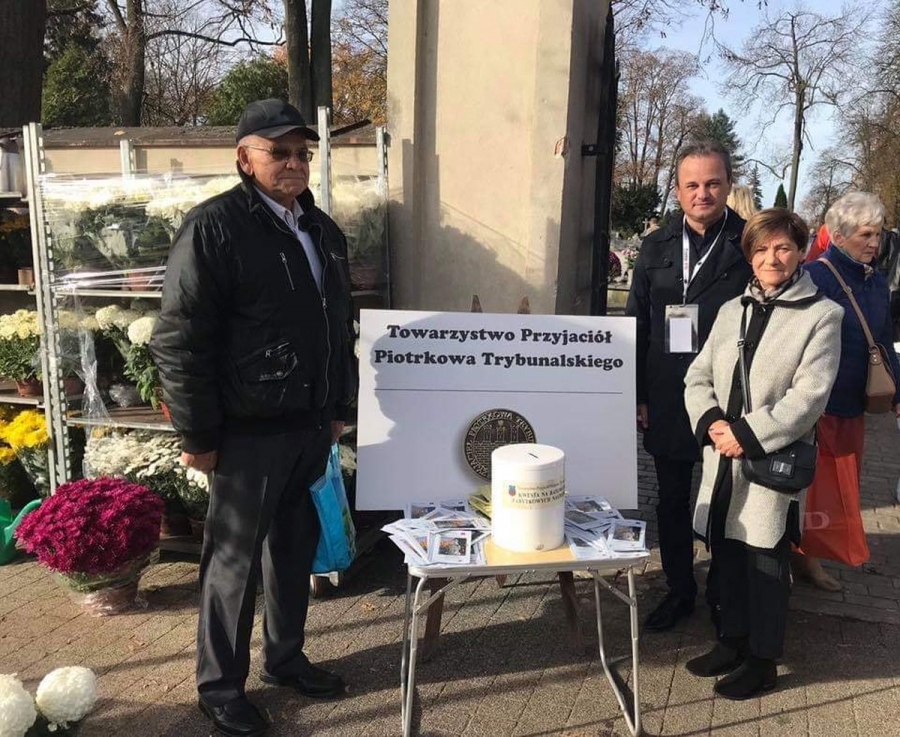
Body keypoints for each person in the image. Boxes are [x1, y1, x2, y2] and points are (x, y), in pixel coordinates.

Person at [150, 98, 357, 737]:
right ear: (245, 158)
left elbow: (337, 327)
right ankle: (220, 687)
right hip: (247, 432)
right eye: (278, 152)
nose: (293, 163)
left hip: (308, 426)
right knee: (234, 565)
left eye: (302, 153)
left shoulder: (320, 229)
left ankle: (285, 659)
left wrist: (338, 409)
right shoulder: (214, 227)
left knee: (293, 552)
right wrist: (197, 432)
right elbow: (179, 338)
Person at [683, 209, 842, 699]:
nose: (771, 258)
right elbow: (698, 376)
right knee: (727, 554)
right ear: (749, 255)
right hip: (722, 457)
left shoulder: (822, 316)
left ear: (799, 253)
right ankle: (731, 641)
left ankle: (763, 660)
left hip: (770, 461)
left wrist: (746, 435)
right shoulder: (731, 310)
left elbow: (808, 398)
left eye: (782, 248)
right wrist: (712, 422)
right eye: (761, 249)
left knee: (766, 563)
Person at [626, 140, 752, 632]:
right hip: (667, 393)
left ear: (727, 186)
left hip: (727, 395)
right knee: (672, 499)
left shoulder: (749, 243)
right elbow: (637, 323)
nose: (703, 193)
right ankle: (679, 590)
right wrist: (637, 393)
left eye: (713, 183)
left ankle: (722, 593)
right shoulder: (655, 246)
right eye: (692, 184)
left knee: (725, 497)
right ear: (677, 190)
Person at [798, 192, 900, 589]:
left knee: (838, 487)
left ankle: (812, 555)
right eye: (865, 234)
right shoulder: (816, 276)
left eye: (879, 234)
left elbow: (882, 342)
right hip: (818, 405)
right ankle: (797, 556)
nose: (875, 242)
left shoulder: (875, 282)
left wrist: (897, 392)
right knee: (810, 485)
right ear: (838, 236)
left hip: (854, 406)